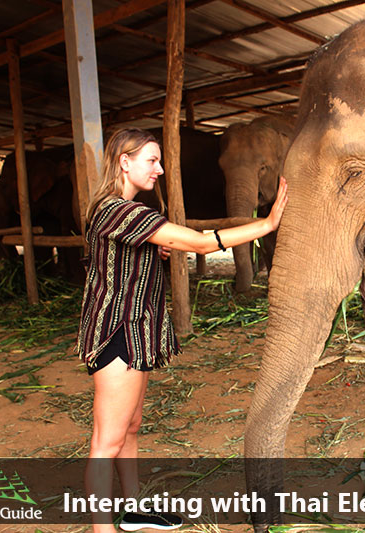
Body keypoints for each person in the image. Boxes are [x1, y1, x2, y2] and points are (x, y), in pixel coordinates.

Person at [76, 127, 288, 532]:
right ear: (125, 162)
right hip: (117, 334)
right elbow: (203, 243)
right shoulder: (119, 211)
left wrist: (151, 248)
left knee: (130, 427)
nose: (158, 169)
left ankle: (133, 512)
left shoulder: (123, 213)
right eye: (151, 161)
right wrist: (267, 223)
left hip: (135, 333)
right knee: (106, 442)